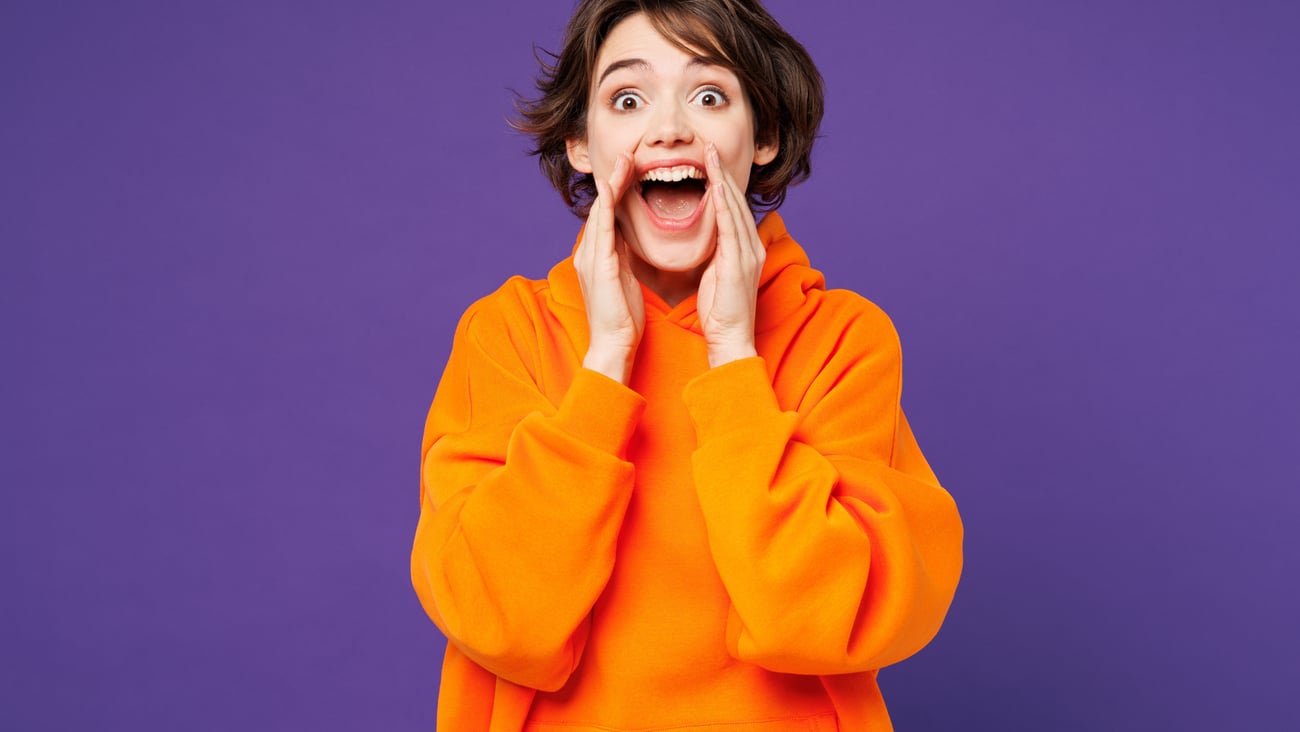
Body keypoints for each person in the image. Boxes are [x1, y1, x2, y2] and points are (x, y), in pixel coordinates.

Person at [410, 1, 963, 729]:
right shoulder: (508, 333)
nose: (670, 127)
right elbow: (497, 620)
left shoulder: (840, 339)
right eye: (627, 99)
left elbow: (829, 620)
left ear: (762, 137)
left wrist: (733, 355)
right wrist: (606, 365)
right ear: (580, 142)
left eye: (708, 95)